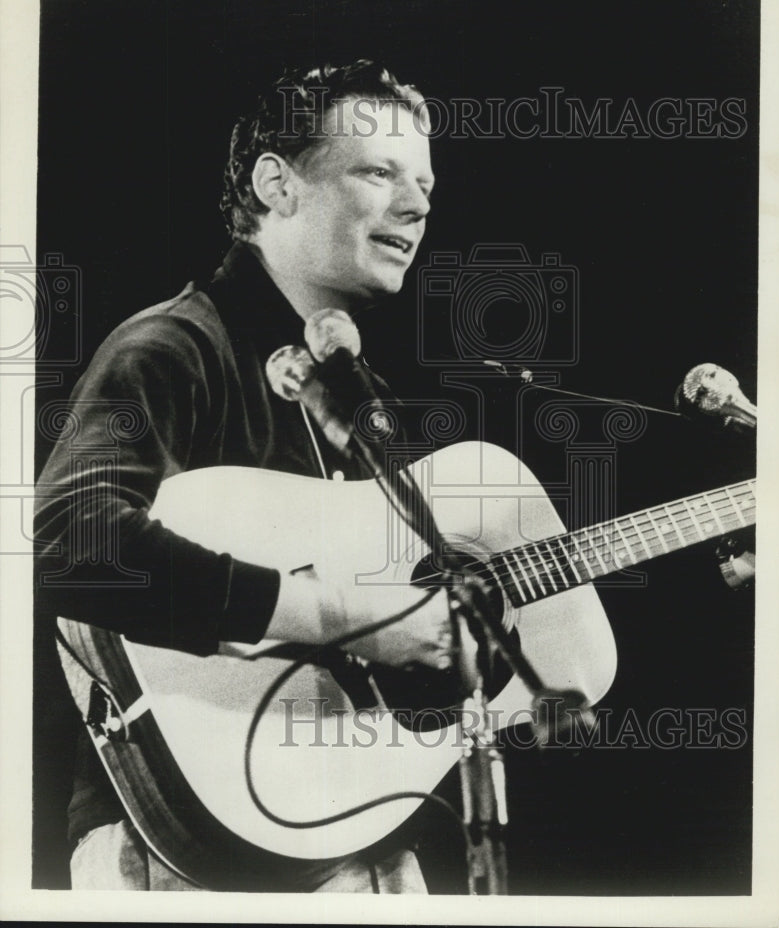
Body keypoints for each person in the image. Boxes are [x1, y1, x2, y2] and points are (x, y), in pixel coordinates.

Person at [34, 60, 467, 893]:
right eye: (379, 172)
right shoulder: (171, 347)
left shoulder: (361, 399)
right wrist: (340, 616)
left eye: (424, 185)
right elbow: (65, 539)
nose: (416, 206)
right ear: (277, 184)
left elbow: (403, 642)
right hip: (176, 848)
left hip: (361, 831)